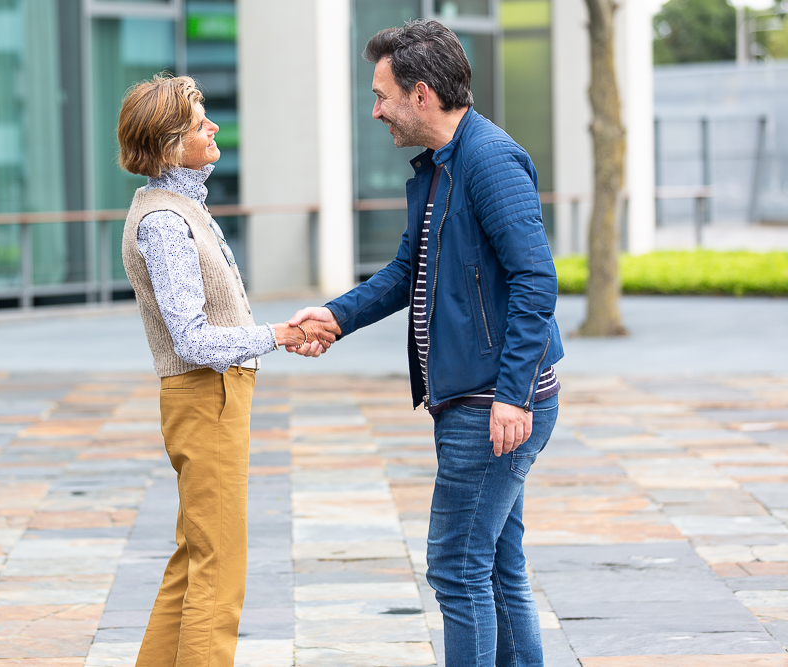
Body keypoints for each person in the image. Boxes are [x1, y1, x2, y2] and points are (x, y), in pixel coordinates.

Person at [289, 20, 563, 667]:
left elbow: (536, 279)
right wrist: (333, 316)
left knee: (457, 565)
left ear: (420, 94)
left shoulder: (489, 161)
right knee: (495, 564)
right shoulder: (441, 168)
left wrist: (514, 395)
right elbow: (404, 273)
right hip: (479, 400)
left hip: (491, 404)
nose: (375, 108)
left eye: (382, 93)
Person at [117, 73, 332, 667]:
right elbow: (190, 338)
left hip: (212, 395)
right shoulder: (165, 220)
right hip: (203, 394)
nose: (212, 126)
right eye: (198, 120)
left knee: (196, 557)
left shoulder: (182, 207)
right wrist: (277, 336)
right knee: (220, 565)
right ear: (167, 141)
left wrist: (270, 340)